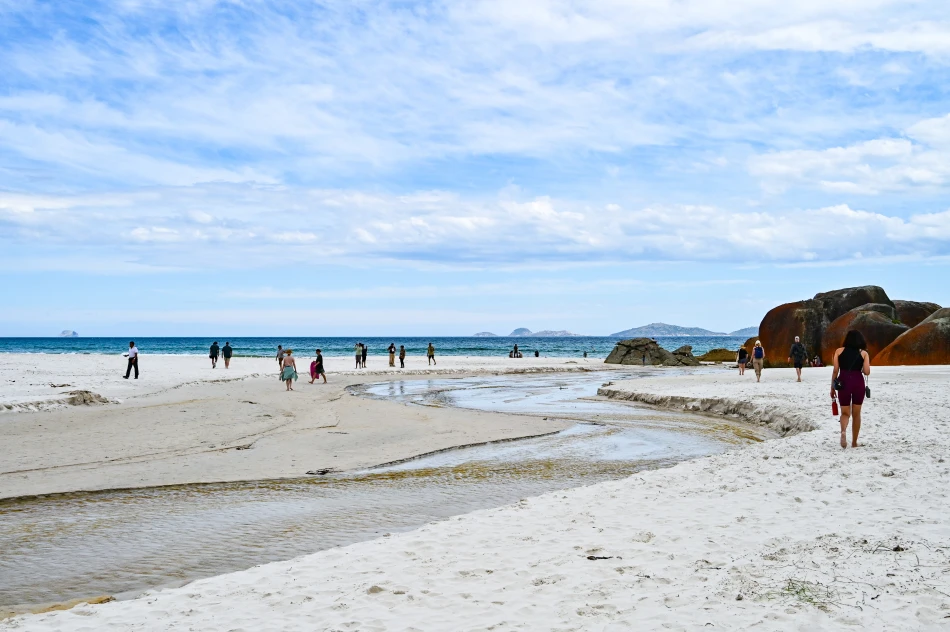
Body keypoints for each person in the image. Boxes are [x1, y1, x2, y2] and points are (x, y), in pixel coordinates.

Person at [831, 330, 871, 449]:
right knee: (856, 414)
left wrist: (832, 387)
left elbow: (835, 370)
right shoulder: (864, 353)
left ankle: (843, 432)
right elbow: (867, 372)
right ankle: (854, 443)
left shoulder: (838, 351)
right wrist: (861, 368)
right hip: (858, 382)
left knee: (845, 413)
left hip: (843, 382)